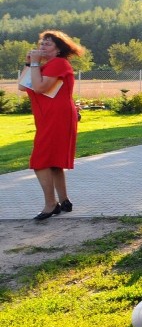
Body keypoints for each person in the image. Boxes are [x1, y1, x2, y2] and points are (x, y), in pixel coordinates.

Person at [18, 30, 85, 221]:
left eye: (48, 44)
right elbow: (23, 86)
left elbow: (39, 87)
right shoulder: (45, 65)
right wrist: (29, 62)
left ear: (58, 50)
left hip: (57, 117)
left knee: (40, 162)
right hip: (49, 117)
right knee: (53, 161)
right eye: (41, 44)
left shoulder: (58, 64)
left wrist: (35, 63)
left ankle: (51, 204)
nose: (42, 47)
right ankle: (64, 201)